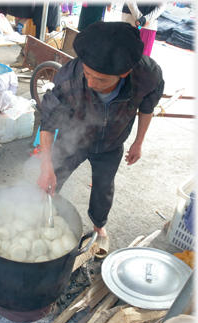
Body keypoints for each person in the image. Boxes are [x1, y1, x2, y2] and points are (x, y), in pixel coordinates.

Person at [37, 21, 164, 258]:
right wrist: (46, 165)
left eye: (102, 80)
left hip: (111, 143)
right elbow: (49, 122)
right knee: (51, 180)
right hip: (73, 139)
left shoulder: (147, 75)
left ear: (124, 72)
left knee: (104, 188)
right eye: (88, 75)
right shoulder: (69, 78)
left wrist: (139, 142)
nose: (92, 83)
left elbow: (147, 107)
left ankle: (99, 227)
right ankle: (39, 213)